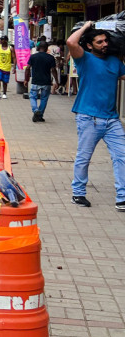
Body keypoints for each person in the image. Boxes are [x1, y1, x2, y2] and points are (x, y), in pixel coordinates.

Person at [66, 21, 125, 210]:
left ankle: (122, 197)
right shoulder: (84, 59)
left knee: (122, 156)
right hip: (88, 118)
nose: (105, 44)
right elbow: (71, 42)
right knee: (84, 157)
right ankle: (78, 193)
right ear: (90, 45)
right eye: (99, 42)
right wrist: (86, 27)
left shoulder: (116, 62)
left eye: (106, 41)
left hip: (112, 119)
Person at [25, 40, 60, 122]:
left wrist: (26, 79)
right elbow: (53, 70)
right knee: (44, 99)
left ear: (38, 47)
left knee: (32, 97)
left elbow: (27, 68)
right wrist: (57, 81)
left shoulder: (33, 57)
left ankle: (35, 110)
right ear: (46, 48)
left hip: (35, 81)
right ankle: (40, 115)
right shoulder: (50, 58)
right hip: (46, 82)